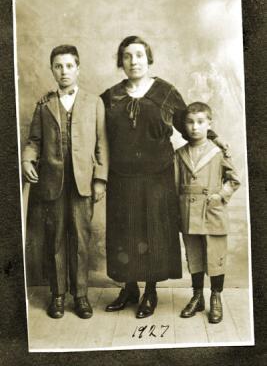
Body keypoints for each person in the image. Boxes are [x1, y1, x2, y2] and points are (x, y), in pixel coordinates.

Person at [100, 36, 224, 319]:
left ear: (149, 59)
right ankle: (129, 288)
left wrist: (216, 142)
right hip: (121, 177)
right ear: (121, 62)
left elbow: (190, 125)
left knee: (152, 234)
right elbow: (100, 139)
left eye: (140, 55)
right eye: (128, 56)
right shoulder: (109, 97)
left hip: (158, 177)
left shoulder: (166, 93)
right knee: (124, 234)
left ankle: (150, 291)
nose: (134, 61)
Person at [22, 45, 109, 319]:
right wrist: (27, 160)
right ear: (52, 70)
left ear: (78, 68)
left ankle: (81, 295)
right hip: (52, 183)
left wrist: (100, 179)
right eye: (58, 66)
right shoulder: (44, 104)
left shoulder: (94, 103)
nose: (64, 71)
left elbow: (102, 145)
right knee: (56, 238)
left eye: (69, 65)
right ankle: (58, 295)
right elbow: (34, 141)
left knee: (81, 239)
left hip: (83, 182)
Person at [175, 102, 240, 323]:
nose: (195, 127)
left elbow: (234, 180)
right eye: (190, 122)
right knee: (194, 257)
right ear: (184, 125)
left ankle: (216, 296)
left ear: (209, 124)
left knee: (215, 256)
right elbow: (174, 186)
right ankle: (197, 296)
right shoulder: (179, 154)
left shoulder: (218, 152)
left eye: (200, 122)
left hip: (212, 212)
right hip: (188, 213)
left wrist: (220, 195)